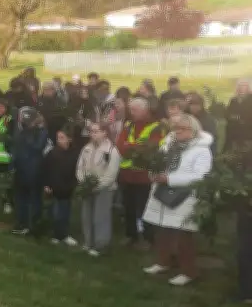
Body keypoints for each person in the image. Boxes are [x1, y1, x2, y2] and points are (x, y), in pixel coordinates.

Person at [142, 114, 212, 286]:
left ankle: (189, 271)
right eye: (176, 128)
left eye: (183, 129)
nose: (178, 131)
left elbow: (199, 176)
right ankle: (163, 262)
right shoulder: (168, 144)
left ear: (193, 130)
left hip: (186, 195)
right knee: (162, 230)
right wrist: (154, 174)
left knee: (183, 234)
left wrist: (170, 179)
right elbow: (157, 163)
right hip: (162, 191)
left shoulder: (202, 150)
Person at [116, 97, 164, 248]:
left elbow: (151, 149)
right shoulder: (129, 125)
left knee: (145, 209)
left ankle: (148, 238)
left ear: (145, 110)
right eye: (131, 110)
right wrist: (135, 147)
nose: (132, 113)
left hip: (145, 177)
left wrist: (130, 146)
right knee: (128, 207)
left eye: (135, 110)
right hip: (127, 175)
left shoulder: (157, 127)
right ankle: (131, 235)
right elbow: (119, 145)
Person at [77, 122, 122, 257]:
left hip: (104, 189)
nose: (93, 134)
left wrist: (98, 186)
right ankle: (88, 242)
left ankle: (101, 245)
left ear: (104, 133)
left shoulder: (111, 150)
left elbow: (111, 173)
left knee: (100, 216)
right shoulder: (86, 148)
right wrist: (83, 181)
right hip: (87, 187)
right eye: (91, 131)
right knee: (87, 215)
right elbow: (80, 167)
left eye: (96, 131)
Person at [11, 107, 48, 235]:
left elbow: (38, 147)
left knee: (35, 199)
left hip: (34, 170)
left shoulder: (40, 132)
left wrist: (30, 131)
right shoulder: (22, 132)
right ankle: (22, 223)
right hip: (21, 169)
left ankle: (34, 225)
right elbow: (16, 149)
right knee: (21, 198)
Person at [42, 127, 79, 246]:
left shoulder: (75, 153)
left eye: (62, 138)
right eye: (58, 138)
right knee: (57, 212)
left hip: (68, 188)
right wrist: (46, 184)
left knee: (66, 212)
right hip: (55, 188)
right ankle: (57, 235)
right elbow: (45, 169)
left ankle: (65, 234)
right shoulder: (52, 153)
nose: (59, 140)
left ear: (69, 139)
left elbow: (77, 170)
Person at [224, 80, 252, 153]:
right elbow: (227, 114)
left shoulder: (250, 100)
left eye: (244, 86)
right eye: (240, 86)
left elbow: (248, 115)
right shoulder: (233, 100)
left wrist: (238, 118)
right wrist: (236, 118)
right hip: (233, 131)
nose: (242, 88)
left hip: (247, 132)